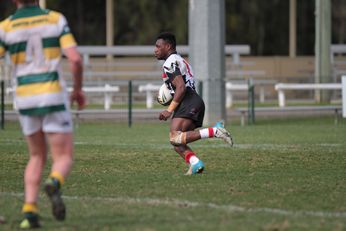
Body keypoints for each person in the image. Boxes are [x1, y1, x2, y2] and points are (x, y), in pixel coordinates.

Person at [0, 0, 85, 228]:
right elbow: (75, 59)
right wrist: (77, 90)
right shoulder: (54, 19)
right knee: (63, 157)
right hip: (52, 95)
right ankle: (54, 182)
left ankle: (29, 212)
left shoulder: (6, 27)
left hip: (25, 98)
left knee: (36, 156)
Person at [154, 32, 233, 175]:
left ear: (168, 46)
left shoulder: (169, 63)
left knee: (175, 137)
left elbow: (181, 87)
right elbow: (181, 86)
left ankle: (215, 131)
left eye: (158, 46)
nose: (155, 50)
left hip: (188, 101)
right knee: (177, 143)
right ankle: (195, 163)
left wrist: (169, 110)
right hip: (192, 100)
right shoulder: (179, 59)